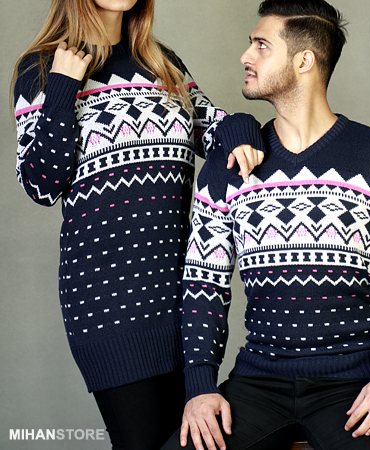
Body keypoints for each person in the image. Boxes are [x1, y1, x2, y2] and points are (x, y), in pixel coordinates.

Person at [161, 1, 370, 449]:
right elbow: (203, 285)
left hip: (357, 384)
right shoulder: (227, 166)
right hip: (258, 382)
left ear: (304, 60)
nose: (245, 56)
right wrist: (199, 386)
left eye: (261, 45)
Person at [11, 0, 265, 449]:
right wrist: (65, 86)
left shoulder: (161, 62)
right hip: (108, 307)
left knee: (192, 443)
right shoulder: (43, 69)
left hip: (182, 298)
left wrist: (243, 127)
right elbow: (42, 184)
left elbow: (214, 128)